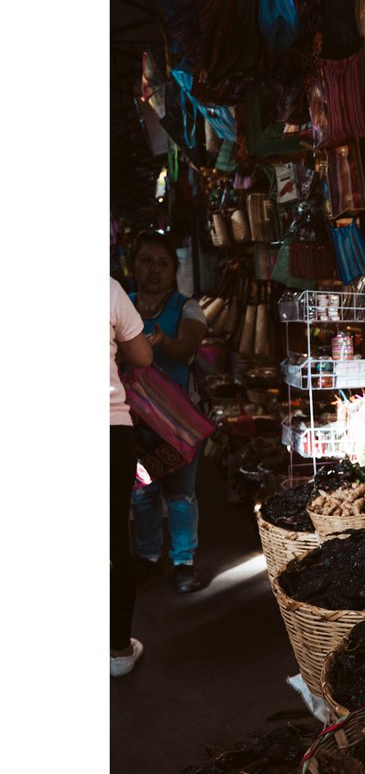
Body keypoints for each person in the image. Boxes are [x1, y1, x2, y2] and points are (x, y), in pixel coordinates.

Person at [128, 231, 208, 593]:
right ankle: (147, 557)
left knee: (180, 492)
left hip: (178, 419)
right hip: (134, 420)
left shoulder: (187, 307)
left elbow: (187, 348)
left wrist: (162, 342)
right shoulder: (122, 306)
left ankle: (183, 561)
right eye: (147, 261)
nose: (154, 270)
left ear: (174, 269)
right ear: (134, 266)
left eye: (163, 263)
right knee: (142, 491)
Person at [111, 276, 153, 676]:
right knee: (112, 542)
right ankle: (118, 651)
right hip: (107, 431)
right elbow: (141, 356)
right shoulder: (106, 289)